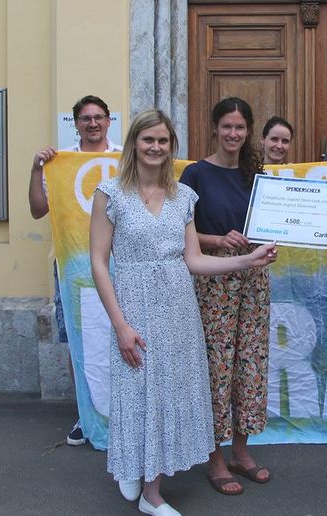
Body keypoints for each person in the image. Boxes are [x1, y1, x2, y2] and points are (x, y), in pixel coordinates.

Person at [90, 109, 277, 514]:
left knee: (165, 394)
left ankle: (151, 492)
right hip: (135, 304)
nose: (155, 147)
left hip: (178, 308)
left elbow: (194, 260)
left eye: (163, 141)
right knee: (135, 390)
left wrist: (249, 260)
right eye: (148, 139)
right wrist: (120, 325)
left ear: (171, 146)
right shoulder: (110, 193)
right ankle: (134, 465)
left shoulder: (183, 197)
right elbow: (99, 263)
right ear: (134, 143)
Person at [179, 97, 272, 496]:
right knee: (216, 367)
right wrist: (218, 239)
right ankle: (214, 457)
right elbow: (178, 230)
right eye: (227, 126)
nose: (233, 134)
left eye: (240, 127)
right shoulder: (195, 174)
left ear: (248, 131)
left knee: (250, 363)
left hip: (254, 278)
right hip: (213, 279)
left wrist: (270, 243)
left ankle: (241, 452)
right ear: (215, 128)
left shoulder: (258, 175)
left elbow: (274, 222)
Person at [28, 95, 122, 446]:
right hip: (74, 267)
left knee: (123, 335)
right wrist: (36, 169)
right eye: (86, 118)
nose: (93, 123)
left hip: (122, 264)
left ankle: (126, 413)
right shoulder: (60, 162)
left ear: (109, 121)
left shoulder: (126, 158)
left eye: (99, 117)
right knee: (79, 340)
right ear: (76, 124)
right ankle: (87, 414)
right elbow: (38, 210)